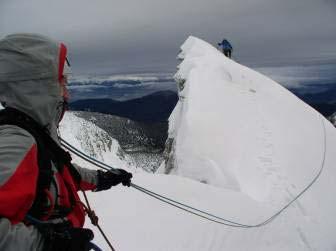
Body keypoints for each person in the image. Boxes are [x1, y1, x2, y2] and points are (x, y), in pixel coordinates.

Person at [0, 33, 133, 251]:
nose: (67, 94)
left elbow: (62, 174)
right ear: (37, 87)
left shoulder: (37, 133)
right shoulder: (17, 142)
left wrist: (104, 178)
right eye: (62, 83)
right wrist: (47, 242)